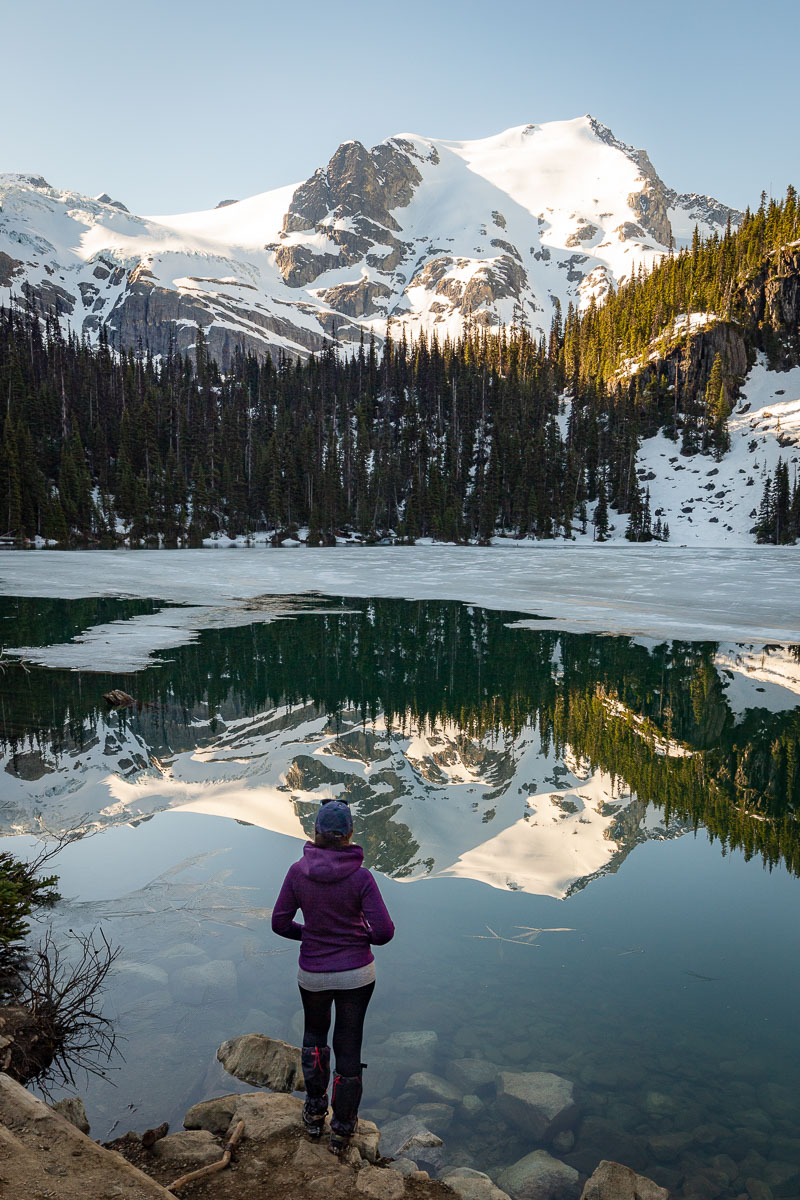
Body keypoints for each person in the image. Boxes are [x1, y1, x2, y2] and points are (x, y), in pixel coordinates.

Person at [271, 798, 395, 1152]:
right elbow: (384, 932)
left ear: (316, 833)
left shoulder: (298, 872)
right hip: (357, 973)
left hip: (313, 973)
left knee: (314, 1036)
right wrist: (358, 937)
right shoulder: (361, 876)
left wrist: (310, 935)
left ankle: (313, 1113)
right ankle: (341, 1130)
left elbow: (279, 923)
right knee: (349, 1043)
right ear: (350, 834)